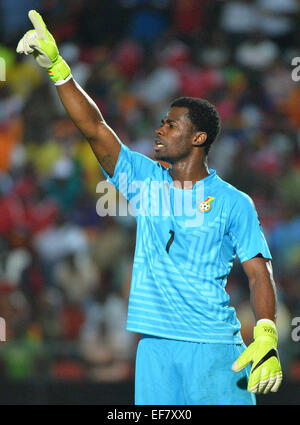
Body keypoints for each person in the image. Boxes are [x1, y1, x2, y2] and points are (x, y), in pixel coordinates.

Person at [16, 10, 283, 405]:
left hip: (213, 349)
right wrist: (59, 69)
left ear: (199, 137)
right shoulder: (144, 180)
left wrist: (266, 333)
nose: (159, 129)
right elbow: (94, 127)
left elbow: (259, 274)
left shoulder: (233, 202)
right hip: (153, 350)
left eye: (171, 125)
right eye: (160, 122)